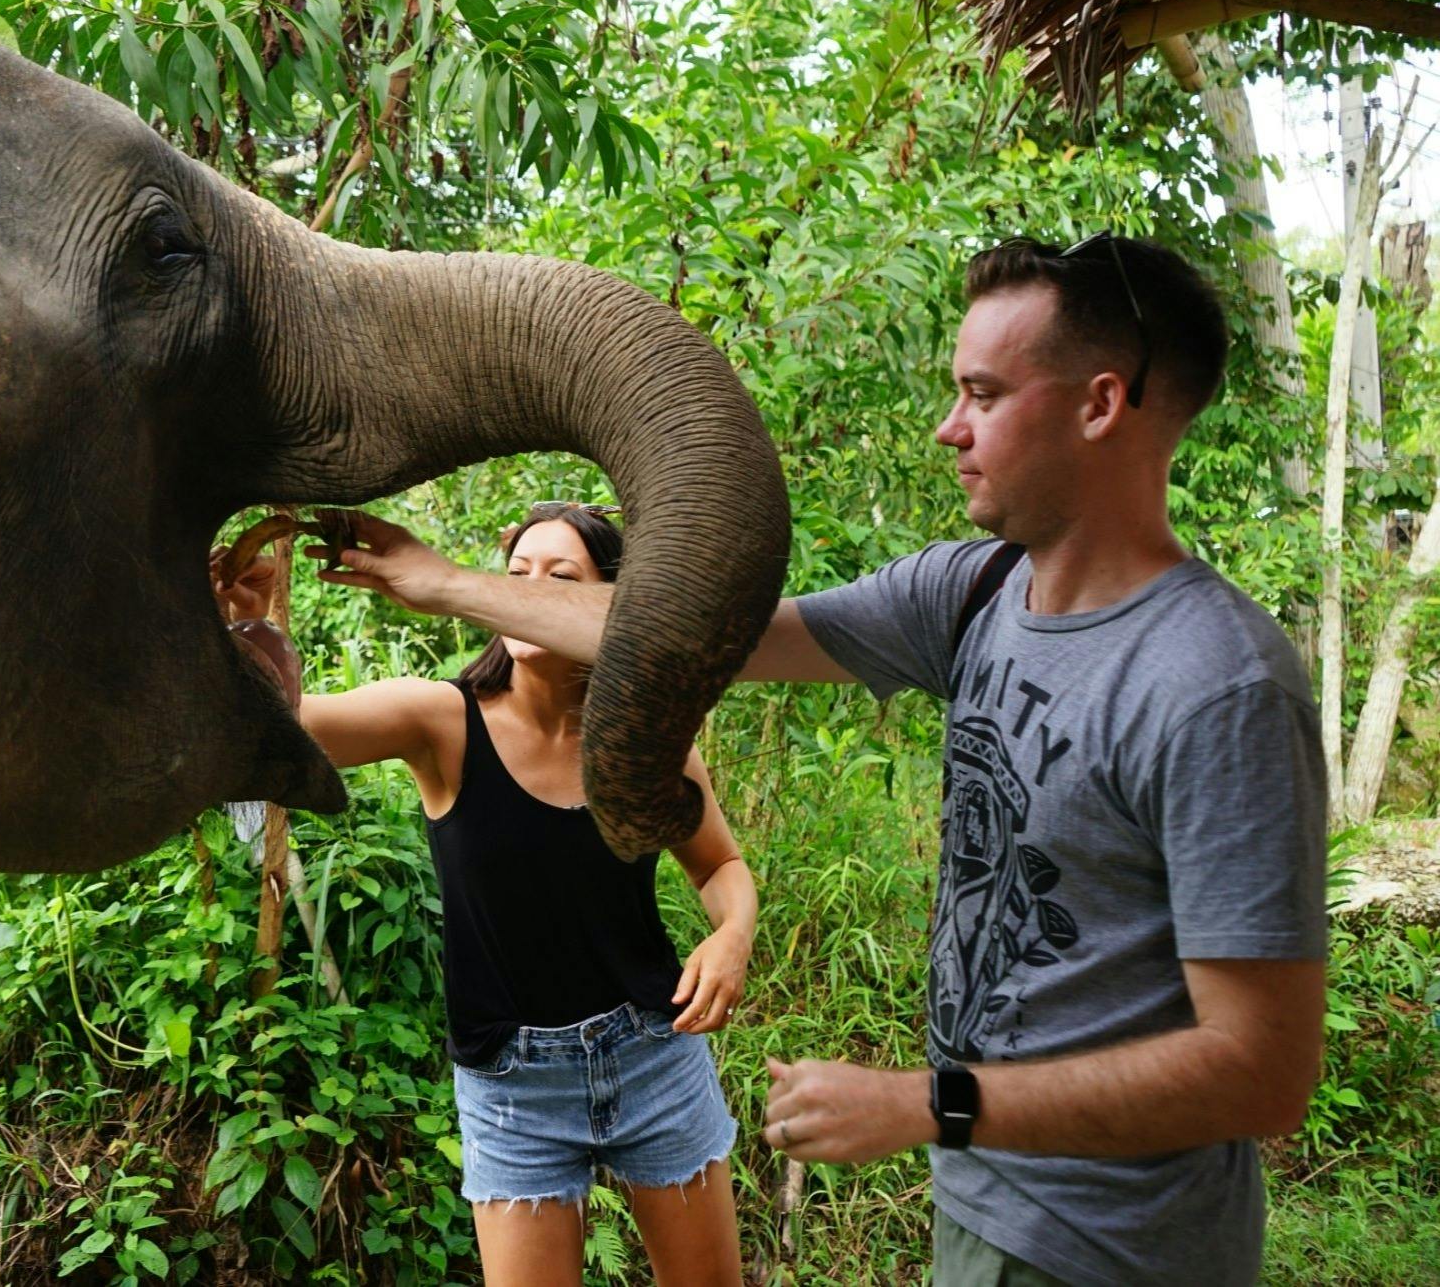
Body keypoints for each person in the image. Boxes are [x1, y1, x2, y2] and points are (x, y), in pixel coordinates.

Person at [304, 237, 1327, 1287]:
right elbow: (698, 627)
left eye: (982, 393)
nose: (949, 427)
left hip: (1122, 1244)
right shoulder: (969, 598)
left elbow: (1260, 1073)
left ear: (1100, 404)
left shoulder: (1215, 683)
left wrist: (927, 1103)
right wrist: (445, 584)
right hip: (983, 1198)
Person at [216, 503, 756, 1287]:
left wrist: (730, 935)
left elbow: (718, 868)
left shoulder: (647, 736)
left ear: (610, 602)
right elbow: (283, 727)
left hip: (653, 1058)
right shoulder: (443, 722)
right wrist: (245, 627)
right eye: (516, 576)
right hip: (513, 1086)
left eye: (561, 577)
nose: (527, 592)